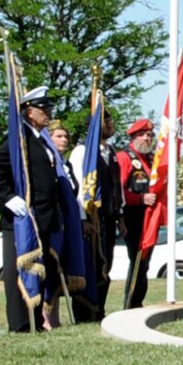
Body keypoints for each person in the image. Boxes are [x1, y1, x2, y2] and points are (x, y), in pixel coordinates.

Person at [0, 86, 63, 332]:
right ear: (30, 112)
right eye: (44, 108)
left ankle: (36, 322)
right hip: (23, 218)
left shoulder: (40, 140)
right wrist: (8, 197)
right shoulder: (19, 139)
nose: (48, 112)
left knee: (40, 272)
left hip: (44, 217)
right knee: (20, 270)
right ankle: (19, 324)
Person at [70, 108, 122, 320]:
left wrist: (121, 215)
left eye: (110, 121)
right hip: (91, 217)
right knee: (91, 266)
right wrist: (82, 219)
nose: (110, 125)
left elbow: (116, 186)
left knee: (105, 266)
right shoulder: (82, 152)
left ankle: (99, 310)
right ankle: (86, 313)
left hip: (109, 217)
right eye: (105, 121)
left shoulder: (111, 152)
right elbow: (79, 187)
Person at [115, 118, 157, 310]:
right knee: (138, 259)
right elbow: (120, 190)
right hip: (133, 216)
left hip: (149, 217)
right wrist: (140, 199)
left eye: (150, 135)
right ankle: (131, 302)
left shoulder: (150, 159)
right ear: (134, 137)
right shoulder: (125, 157)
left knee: (145, 261)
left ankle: (138, 300)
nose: (147, 138)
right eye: (143, 135)